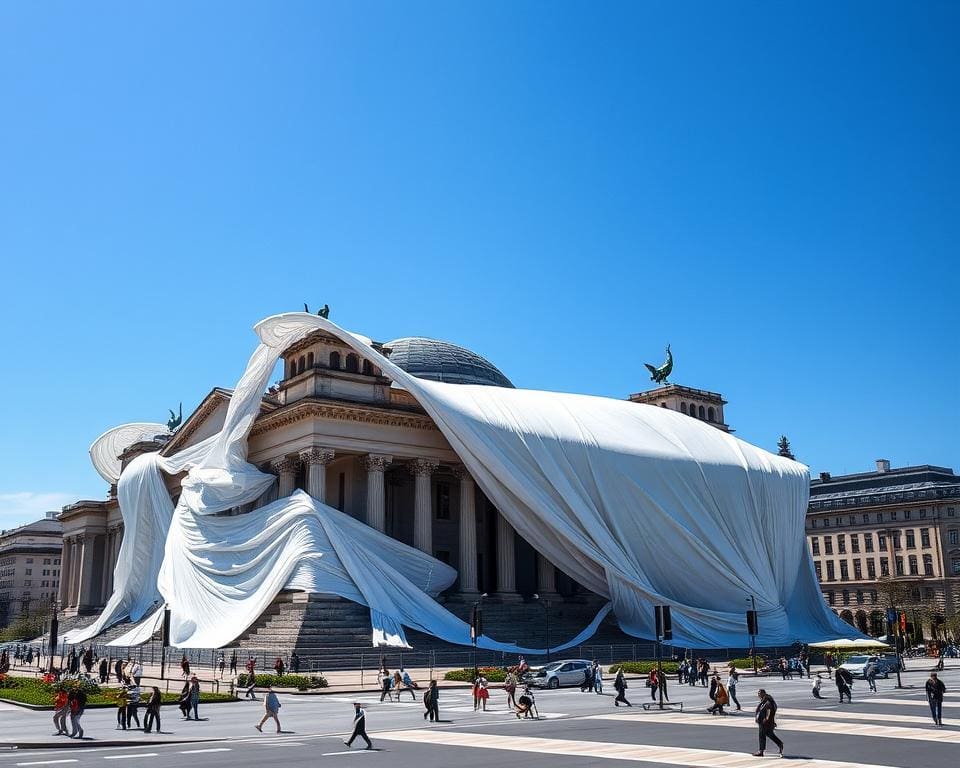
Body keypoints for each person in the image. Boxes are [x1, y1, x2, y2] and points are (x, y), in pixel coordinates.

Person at [752, 689, 783, 758]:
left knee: (762, 735)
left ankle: (761, 751)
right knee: (769, 734)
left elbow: (769, 710)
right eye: (758, 693)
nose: (758, 695)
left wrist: (766, 718)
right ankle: (780, 744)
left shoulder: (767, 702)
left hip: (765, 722)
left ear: (764, 693)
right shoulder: (764, 700)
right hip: (765, 721)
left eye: (760, 693)